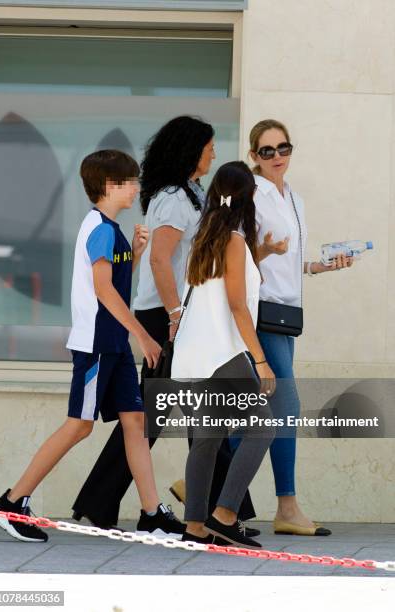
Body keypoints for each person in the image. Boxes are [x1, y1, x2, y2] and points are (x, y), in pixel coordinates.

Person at [72, 116, 258, 533]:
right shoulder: (173, 197)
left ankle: (217, 510)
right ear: (191, 150)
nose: (214, 153)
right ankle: (211, 510)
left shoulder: (191, 192)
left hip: (180, 315)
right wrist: (176, 314)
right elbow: (159, 259)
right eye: (209, 146)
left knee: (189, 411)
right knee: (153, 413)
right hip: (164, 316)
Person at [0, 150, 184, 542]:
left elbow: (110, 283)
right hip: (97, 345)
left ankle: (152, 514)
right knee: (79, 425)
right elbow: (102, 289)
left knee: (135, 422)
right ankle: (12, 502)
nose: (136, 187)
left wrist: (137, 253)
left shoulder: (110, 229)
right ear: (111, 186)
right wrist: (142, 335)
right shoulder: (100, 228)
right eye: (131, 181)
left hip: (113, 346)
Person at [249, 119, 353, 536]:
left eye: (283, 148)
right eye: (267, 151)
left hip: (287, 315)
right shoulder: (248, 194)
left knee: (265, 410)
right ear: (254, 156)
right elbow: (236, 253)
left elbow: (291, 261)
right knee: (286, 406)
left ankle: (205, 483)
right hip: (260, 311)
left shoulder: (294, 198)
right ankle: (287, 507)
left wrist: (320, 266)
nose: (277, 157)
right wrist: (267, 250)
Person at [171, 161, 277, 548]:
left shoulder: (204, 238)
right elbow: (237, 305)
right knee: (263, 426)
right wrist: (260, 360)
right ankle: (225, 515)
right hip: (221, 355)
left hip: (190, 356)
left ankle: (195, 526)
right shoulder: (232, 239)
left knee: (207, 439)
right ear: (248, 199)